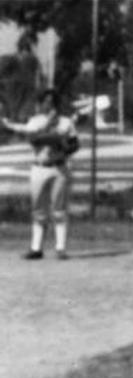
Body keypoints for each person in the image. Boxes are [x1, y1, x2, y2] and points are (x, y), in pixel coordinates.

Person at [3, 86, 80, 259]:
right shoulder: (35, 121)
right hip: (40, 167)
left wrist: (64, 148)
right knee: (38, 209)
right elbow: (33, 139)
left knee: (59, 209)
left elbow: (74, 144)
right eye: (45, 102)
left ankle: (60, 248)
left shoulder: (66, 122)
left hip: (59, 167)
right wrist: (52, 134)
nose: (49, 105)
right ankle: (36, 248)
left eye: (52, 102)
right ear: (40, 104)